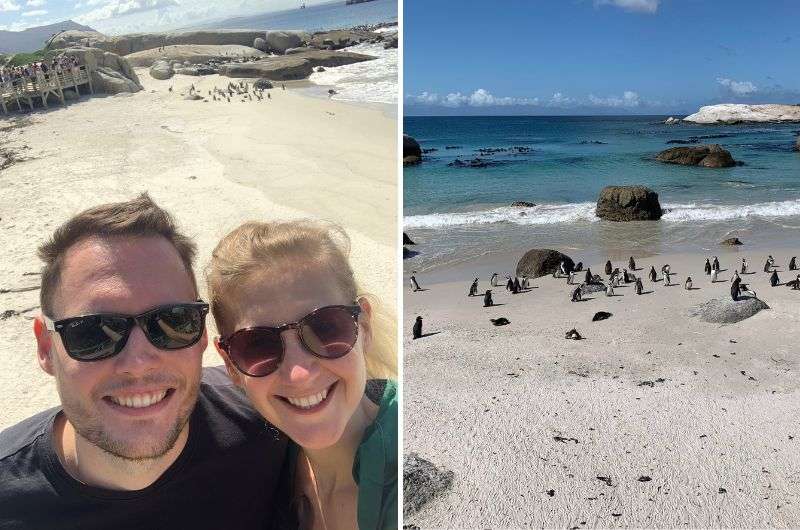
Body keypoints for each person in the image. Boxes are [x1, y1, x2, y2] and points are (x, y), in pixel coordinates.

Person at [0, 194, 288, 529]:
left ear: (202, 336)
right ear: (46, 347)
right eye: (95, 332)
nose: (137, 362)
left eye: (174, 322)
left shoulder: (270, 426)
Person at [206, 220, 397, 530]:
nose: (299, 374)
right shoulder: (262, 465)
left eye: (326, 327)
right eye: (257, 345)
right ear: (230, 364)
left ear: (363, 328)